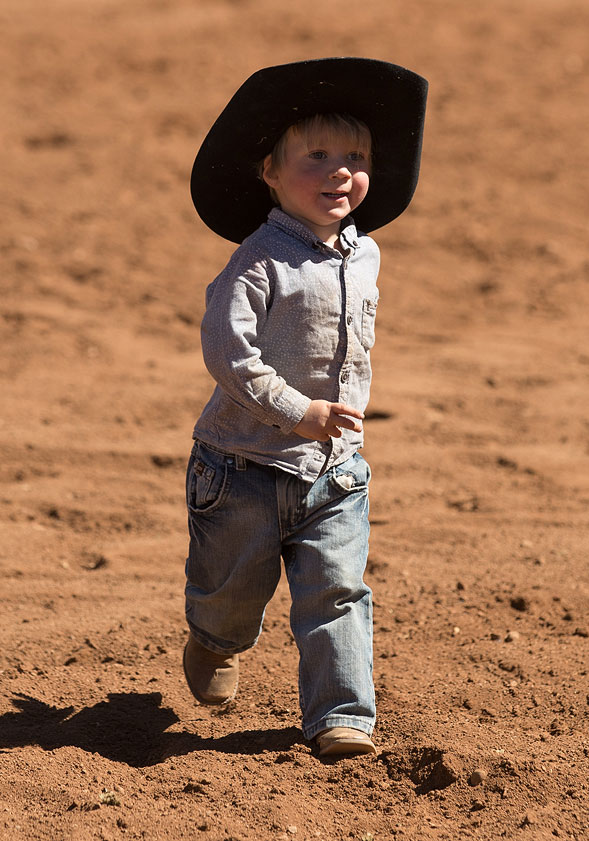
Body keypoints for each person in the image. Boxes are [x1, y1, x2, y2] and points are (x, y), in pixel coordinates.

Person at [184, 58, 428, 757]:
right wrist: (297, 410)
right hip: (243, 470)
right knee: (231, 600)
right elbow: (229, 355)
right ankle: (214, 640)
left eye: (356, 157)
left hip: (335, 472)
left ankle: (341, 715)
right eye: (316, 155)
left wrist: (325, 429)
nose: (339, 172)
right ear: (268, 170)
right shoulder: (257, 263)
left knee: (338, 592)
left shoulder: (367, 254)